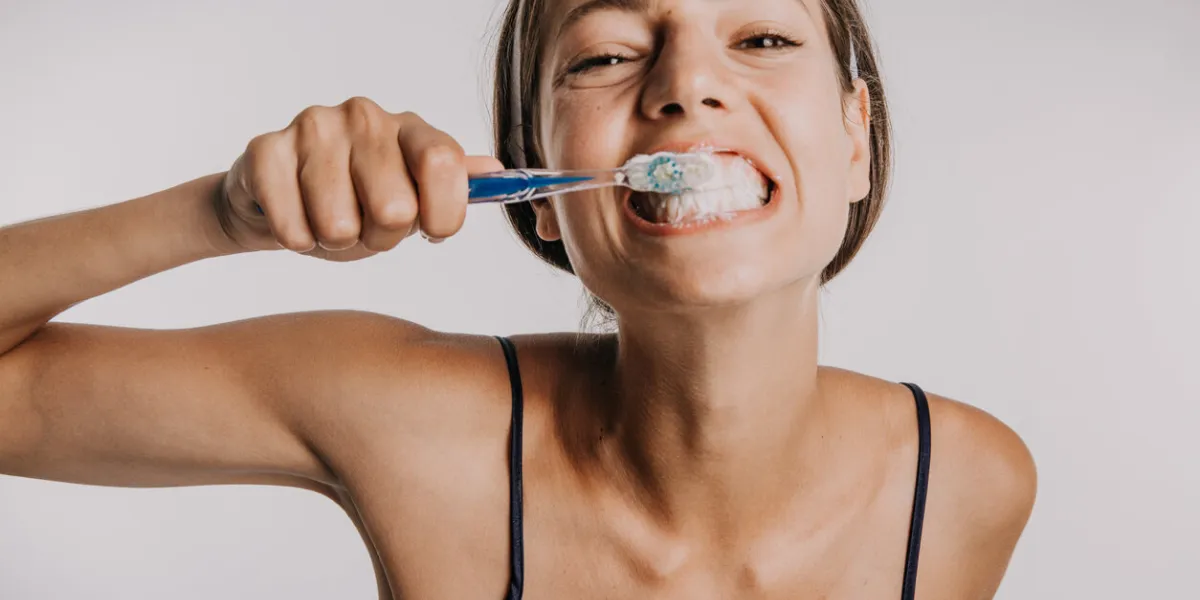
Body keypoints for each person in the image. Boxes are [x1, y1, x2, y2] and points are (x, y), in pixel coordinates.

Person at [0, 0, 1037, 598]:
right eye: (608, 55)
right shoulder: (406, 423)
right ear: (539, 192)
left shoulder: (967, 487)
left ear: (856, 138)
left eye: (761, 37)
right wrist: (220, 215)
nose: (684, 83)